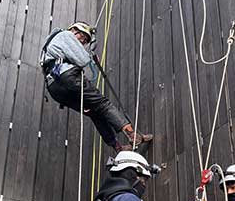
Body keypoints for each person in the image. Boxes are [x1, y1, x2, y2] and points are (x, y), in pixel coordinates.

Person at [41, 22, 153, 152]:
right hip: (67, 77)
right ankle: (132, 135)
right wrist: (90, 57)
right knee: (103, 104)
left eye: (85, 41)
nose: (82, 42)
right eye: (82, 37)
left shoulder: (51, 45)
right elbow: (82, 60)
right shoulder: (66, 35)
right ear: (74, 30)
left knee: (94, 112)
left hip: (55, 89)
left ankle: (118, 147)